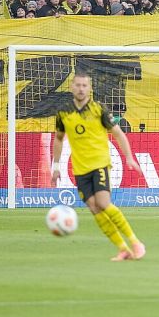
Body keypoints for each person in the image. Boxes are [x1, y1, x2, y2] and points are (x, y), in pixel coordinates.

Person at [50, 72, 146, 261]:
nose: (81, 89)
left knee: (103, 203)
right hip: (79, 169)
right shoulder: (63, 113)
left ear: (90, 88)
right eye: (77, 85)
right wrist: (56, 166)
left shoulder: (99, 110)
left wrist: (129, 157)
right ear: (71, 87)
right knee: (94, 208)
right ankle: (123, 249)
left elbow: (118, 134)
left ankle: (135, 242)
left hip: (100, 164)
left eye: (84, 85)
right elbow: (59, 139)